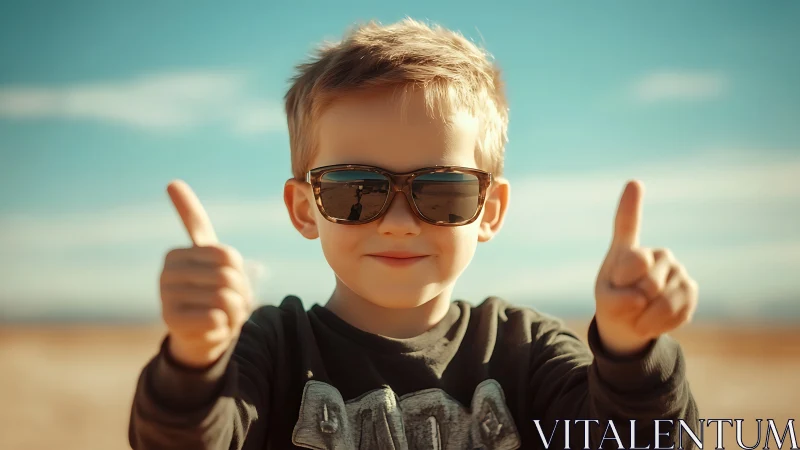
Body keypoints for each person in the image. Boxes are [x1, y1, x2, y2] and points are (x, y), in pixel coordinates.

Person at [128, 17, 700, 450]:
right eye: (355, 190)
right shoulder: (271, 351)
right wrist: (195, 360)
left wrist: (632, 354)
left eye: (443, 190)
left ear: (490, 209)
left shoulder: (528, 352)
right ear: (305, 209)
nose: (399, 223)